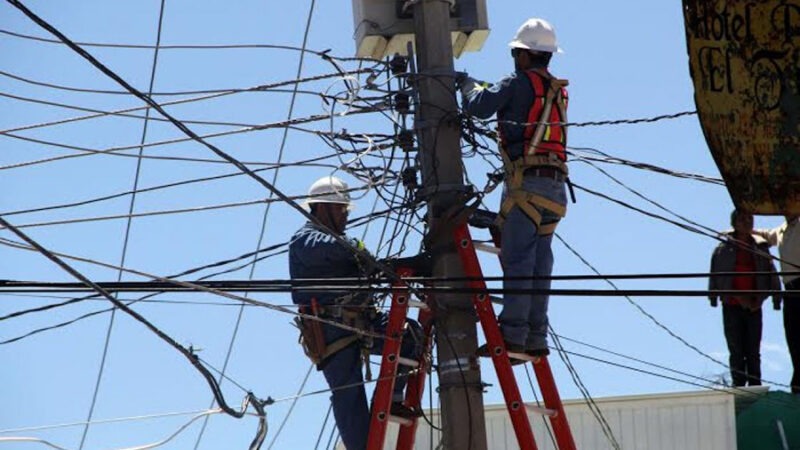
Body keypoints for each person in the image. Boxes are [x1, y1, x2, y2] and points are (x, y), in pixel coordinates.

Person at [460, 18, 569, 358]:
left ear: (523, 55)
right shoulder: (555, 89)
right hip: (556, 190)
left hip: (526, 186)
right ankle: (536, 337)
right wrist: (481, 86)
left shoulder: (517, 82)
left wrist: (465, 84)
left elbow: (479, 106)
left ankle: (512, 335)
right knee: (540, 267)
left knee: (519, 262)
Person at [289, 176, 422, 450]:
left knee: (411, 335)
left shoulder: (339, 242)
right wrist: (359, 251)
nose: (346, 215)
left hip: (364, 320)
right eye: (341, 209)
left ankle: (392, 400)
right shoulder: (305, 239)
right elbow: (330, 250)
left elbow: (349, 254)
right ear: (322, 207)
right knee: (348, 393)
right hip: (330, 329)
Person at [709, 210, 781, 387]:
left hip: (755, 306)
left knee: (753, 351)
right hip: (731, 306)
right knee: (736, 350)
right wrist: (719, 296)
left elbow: (771, 274)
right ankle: (739, 386)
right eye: (742, 219)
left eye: (750, 219)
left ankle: (755, 386)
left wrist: (767, 299)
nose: (747, 222)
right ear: (734, 223)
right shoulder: (723, 249)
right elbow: (717, 275)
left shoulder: (760, 247)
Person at [755, 214, 799, 393]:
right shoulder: (782, 230)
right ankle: (798, 377)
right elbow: (766, 235)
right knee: (793, 336)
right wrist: (736, 231)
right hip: (790, 289)